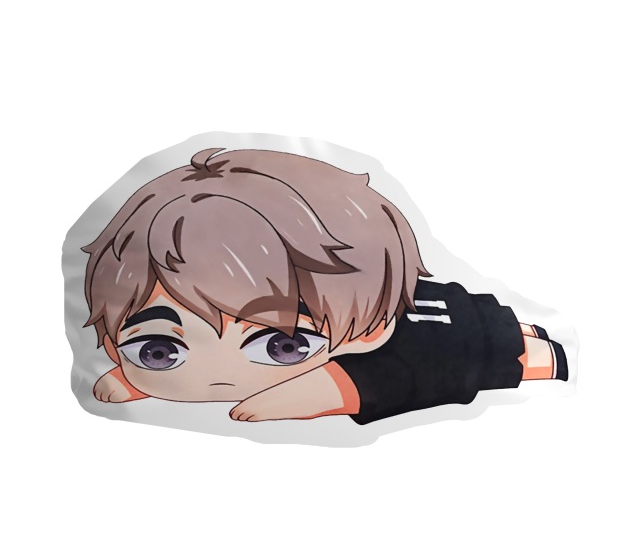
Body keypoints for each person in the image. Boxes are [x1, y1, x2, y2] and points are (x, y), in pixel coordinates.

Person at [82, 147, 567, 424]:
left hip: (462, 330)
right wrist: (143, 377)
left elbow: (375, 381)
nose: (219, 377)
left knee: (528, 352)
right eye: (158, 350)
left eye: (284, 345)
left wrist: (324, 392)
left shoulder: (378, 356)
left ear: (367, 334)